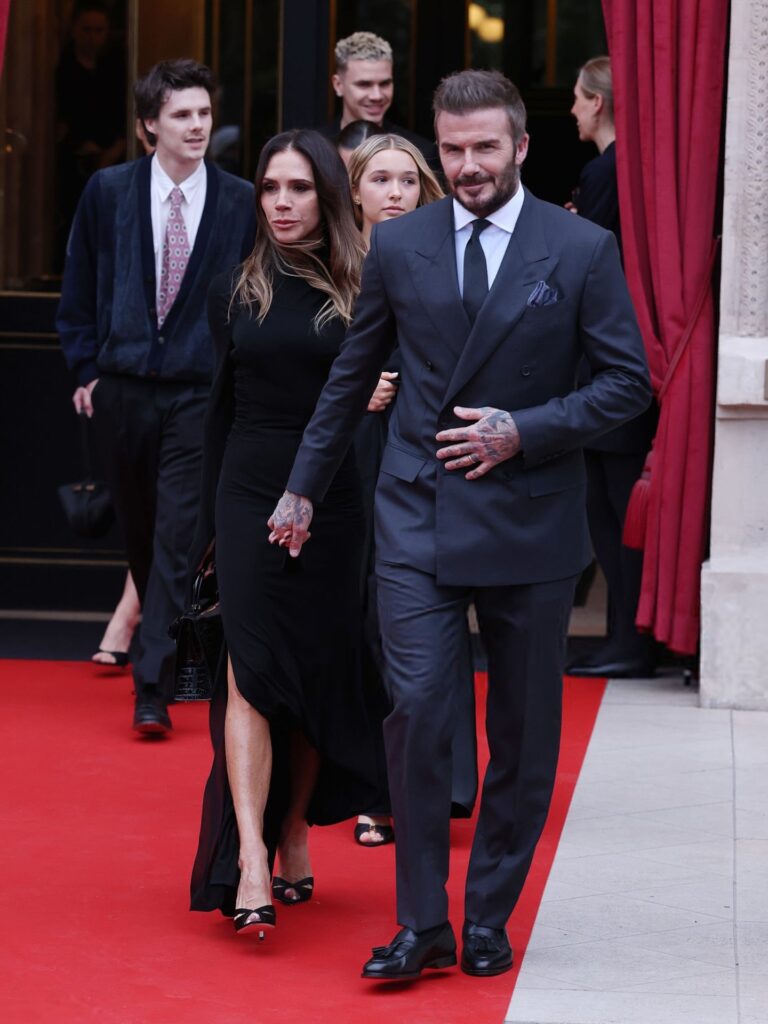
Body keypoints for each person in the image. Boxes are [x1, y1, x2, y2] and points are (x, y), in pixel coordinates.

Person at [269, 69, 652, 980]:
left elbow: (626, 384)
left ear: (521, 146)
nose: (469, 164)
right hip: (419, 509)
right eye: (453, 149)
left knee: (522, 732)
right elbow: (351, 375)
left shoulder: (581, 247)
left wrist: (526, 429)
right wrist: (301, 488)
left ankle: (487, 916)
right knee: (417, 710)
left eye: (485, 147)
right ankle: (421, 924)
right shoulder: (402, 245)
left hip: (530, 519)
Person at [188, 129, 393, 936]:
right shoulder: (234, 289)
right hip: (247, 495)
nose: (281, 202)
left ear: (328, 196)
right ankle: (250, 856)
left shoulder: (366, 285)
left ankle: (296, 829)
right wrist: (207, 526)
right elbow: (220, 409)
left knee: (313, 673)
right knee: (249, 672)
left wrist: (379, 393)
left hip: (334, 500)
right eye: (270, 188)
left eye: (300, 188)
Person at [57, 59, 255, 734]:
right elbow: (79, 283)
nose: (197, 126)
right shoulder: (108, 191)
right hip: (122, 389)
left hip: (199, 393)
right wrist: (88, 370)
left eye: (204, 113)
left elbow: (249, 297)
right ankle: (162, 649)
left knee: (176, 534)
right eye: (181, 115)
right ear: (149, 125)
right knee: (142, 535)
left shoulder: (238, 200)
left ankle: (154, 682)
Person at [346, 133, 478, 845]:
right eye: (380, 179)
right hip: (346, 458)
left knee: (424, 619)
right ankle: (373, 779)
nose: (394, 192)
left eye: (407, 179)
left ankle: (434, 783)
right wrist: (349, 391)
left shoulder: (449, 260)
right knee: (363, 620)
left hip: (423, 459)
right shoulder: (330, 266)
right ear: (354, 191)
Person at [565, 56, 658, 678]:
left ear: (597, 103)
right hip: (626, 360)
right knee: (613, 512)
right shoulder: (631, 167)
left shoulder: (606, 170)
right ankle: (627, 637)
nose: (572, 108)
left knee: (613, 516)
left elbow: (589, 268)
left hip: (607, 365)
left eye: (578, 97)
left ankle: (628, 641)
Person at [55, 2, 126, 268]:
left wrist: (114, 150)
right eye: (86, 29)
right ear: (74, 29)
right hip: (73, 160)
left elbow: (125, 113)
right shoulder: (63, 67)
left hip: (114, 155)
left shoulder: (115, 67)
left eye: (99, 30)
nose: (92, 37)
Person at [316, 32, 436, 169]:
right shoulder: (314, 150)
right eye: (364, 84)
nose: (376, 96)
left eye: (385, 84)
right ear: (338, 85)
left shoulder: (421, 153)